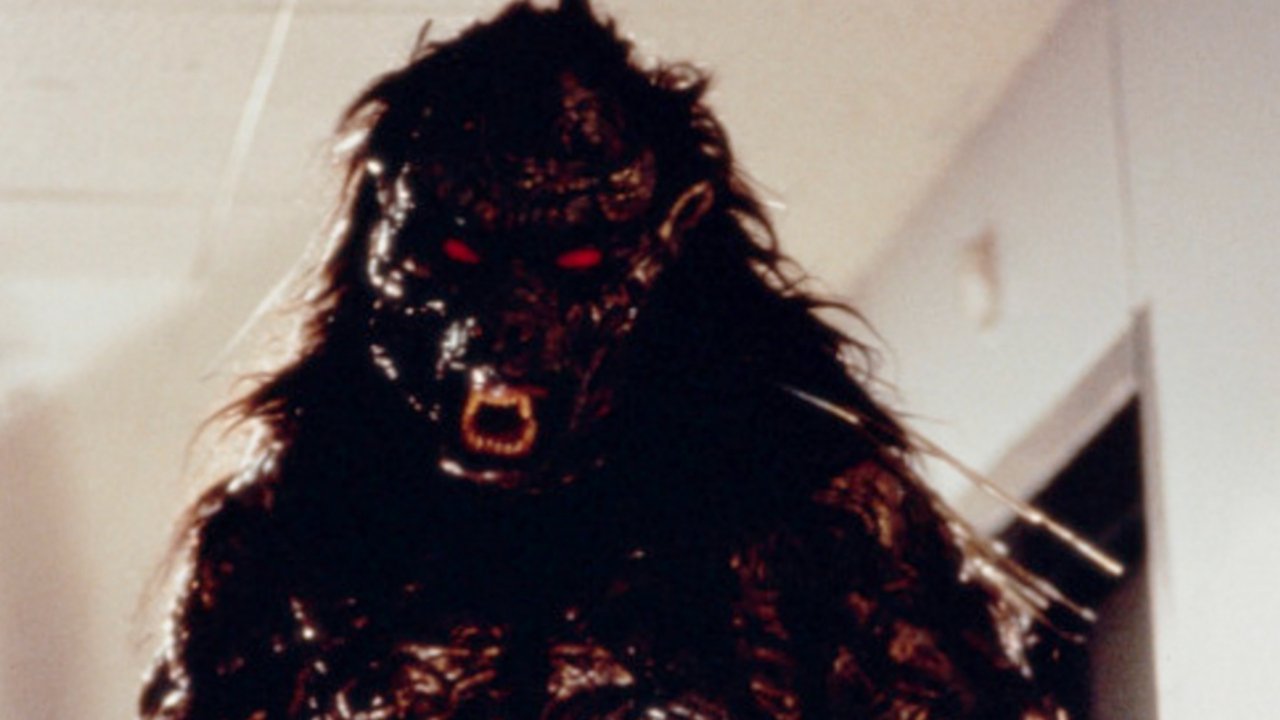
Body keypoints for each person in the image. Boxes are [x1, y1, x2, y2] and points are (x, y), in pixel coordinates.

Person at [141, 2, 1066, 717]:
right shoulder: (282, 536)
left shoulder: (814, 515)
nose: (507, 320)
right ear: (384, 238)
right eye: (459, 254)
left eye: (576, 261)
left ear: (670, 249)